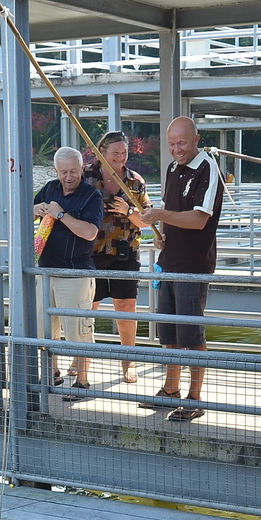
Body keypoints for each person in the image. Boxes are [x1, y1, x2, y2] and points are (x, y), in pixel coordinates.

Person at [131, 116, 224, 422]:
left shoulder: (208, 168)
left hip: (193, 265)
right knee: (169, 333)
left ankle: (194, 397)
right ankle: (170, 388)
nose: (177, 149)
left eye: (182, 142)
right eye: (171, 144)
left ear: (196, 139)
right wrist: (163, 234)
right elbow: (173, 216)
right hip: (169, 261)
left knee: (192, 334)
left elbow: (199, 219)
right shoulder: (172, 169)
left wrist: (161, 214)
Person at [32, 147, 104, 401]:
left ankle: (82, 381)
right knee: (44, 329)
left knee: (78, 331)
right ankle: (52, 373)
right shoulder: (50, 188)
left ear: (82, 168)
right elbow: (27, 211)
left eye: (73, 171)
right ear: (56, 171)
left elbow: (90, 232)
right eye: (64, 172)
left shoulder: (91, 195)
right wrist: (39, 209)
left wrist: (60, 214)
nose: (69, 176)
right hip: (46, 270)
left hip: (76, 273)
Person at [86, 130, 147, 384]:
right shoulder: (85, 176)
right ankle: (81, 360)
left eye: (124, 153)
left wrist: (128, 209)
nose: (121, 158)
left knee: (125, 308)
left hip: (125, 251)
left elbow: (146, 220)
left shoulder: (134, 181)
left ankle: (128, 361)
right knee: (88, 309)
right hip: (92, 252)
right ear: (101, 152)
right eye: (115, 153)